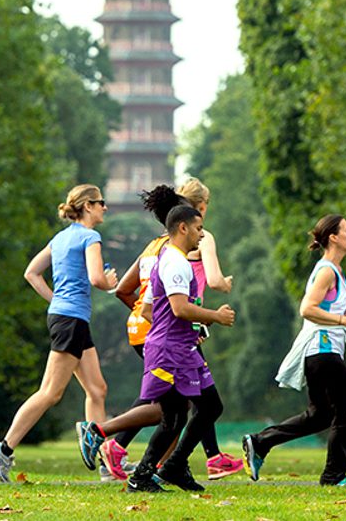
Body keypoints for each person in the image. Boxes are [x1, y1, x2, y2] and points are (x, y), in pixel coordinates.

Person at [0, 185, 118, 482]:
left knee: (97, 390)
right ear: (87, 206)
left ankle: (108, 464)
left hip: (69, 318)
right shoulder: (90, 237)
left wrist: (56, 300)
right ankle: (4, 449)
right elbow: (97, 278)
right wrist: (109, 282)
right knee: (50, 392)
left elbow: (31, 273)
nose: (104, 208)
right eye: (101, 203)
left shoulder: (60, 238)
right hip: (71, 319)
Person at [242, 214, 346, 486]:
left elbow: (325, 309)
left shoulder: (335, 271)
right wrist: (344, 320)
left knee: (320, 415)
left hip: (323, 352)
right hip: (323, 351)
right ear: (333, 237)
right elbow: (307, 309)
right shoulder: (326, 271)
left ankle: (260, 442)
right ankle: (334, 476)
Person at [125, 204, 235, 493]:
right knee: (173, 417)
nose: (202, 235)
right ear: (183, 228)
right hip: (169, 352)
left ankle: (172, 466)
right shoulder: (175, 262)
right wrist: (215, 316)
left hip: (179, 347)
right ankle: (142, 476)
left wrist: (187, 331)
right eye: (198, 228)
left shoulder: (167, 258)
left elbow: (148, 309)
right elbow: (179, 307)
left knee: (209, 407)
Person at [80, 185, 187, 481]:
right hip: (161, 331)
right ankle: (107, 437)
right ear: (182, 221)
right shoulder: (173, 251)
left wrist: (142, 312)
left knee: (175, 402)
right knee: (174, 405)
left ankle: (158, 467)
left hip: (142, 329)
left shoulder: (152, 247)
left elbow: (125, 289)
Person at [174, 179, 242, 479]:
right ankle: (113, 440)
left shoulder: (170, 236)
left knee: (197, 398)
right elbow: (213, 280)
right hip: (185, 322)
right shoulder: (203, 236)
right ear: (202, 206)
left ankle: (213, 456)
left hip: (174, 321)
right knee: (196, 401)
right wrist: (225, 284)